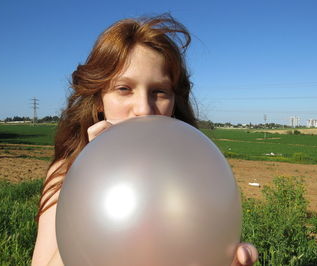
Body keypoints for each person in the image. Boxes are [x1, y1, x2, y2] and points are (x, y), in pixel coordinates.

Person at [31, 14, 258, 266]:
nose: (143, 109)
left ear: (173, 102)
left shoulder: (197, 175)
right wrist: (92, 176)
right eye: (123, 89)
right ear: (99, 101)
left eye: (159, 91)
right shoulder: (66, 175)